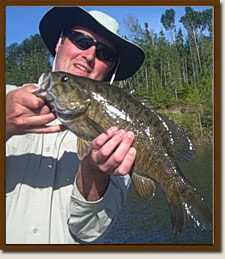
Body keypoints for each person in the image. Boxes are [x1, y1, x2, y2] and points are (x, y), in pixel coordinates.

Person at [5, 7, 145, 244]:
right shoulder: (5, 98)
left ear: (110, 68)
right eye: (81, 41)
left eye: (104, 53)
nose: (89, 55)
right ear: (60, 43)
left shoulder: (121, 139)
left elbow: (89, 232)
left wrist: (94, 171)